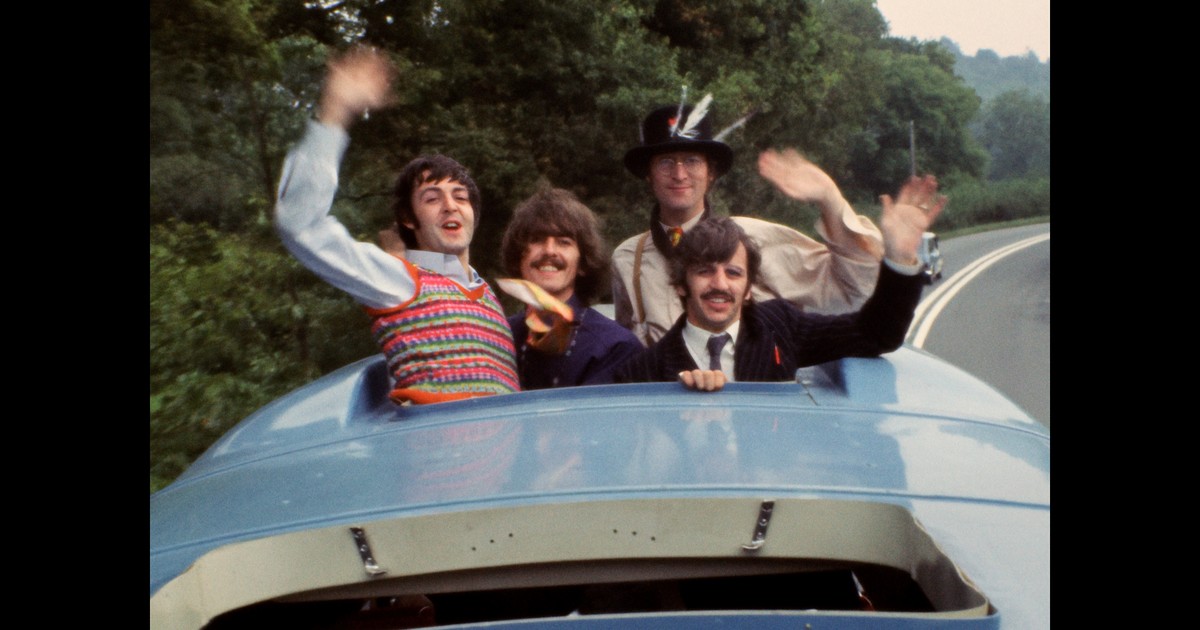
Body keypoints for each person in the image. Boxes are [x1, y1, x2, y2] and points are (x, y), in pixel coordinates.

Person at [274, 47, 519, 404]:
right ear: (408, 218)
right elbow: (301, 226)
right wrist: (334, 113)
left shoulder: (488, 296)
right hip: (434, 440)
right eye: (432, 198)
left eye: (460, 196)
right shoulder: (398, 280)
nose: (450, 205)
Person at [614, 174, 945, 391]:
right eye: (704, 271)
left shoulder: (779, 327)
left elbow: (876, 334)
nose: (720, 284)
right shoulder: (644, 370)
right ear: (681, 285)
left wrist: (900, 258)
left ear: (748, 289)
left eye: (733, 273)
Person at [612, 98, 886, 347]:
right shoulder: (628, 258)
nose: (679, 174)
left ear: (711, 173)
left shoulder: (753, 238)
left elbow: (857, 284)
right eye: (666, 162)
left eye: (692, 161)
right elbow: (627, 351)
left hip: (748, 386)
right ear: (648, 174)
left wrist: (829, 199)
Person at [499, 188, 642, 389]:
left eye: (563, 242)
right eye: (537, 240)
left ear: (583, 263)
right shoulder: (498, 336)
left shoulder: (615, 347)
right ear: (518, 258)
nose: (549, 251)